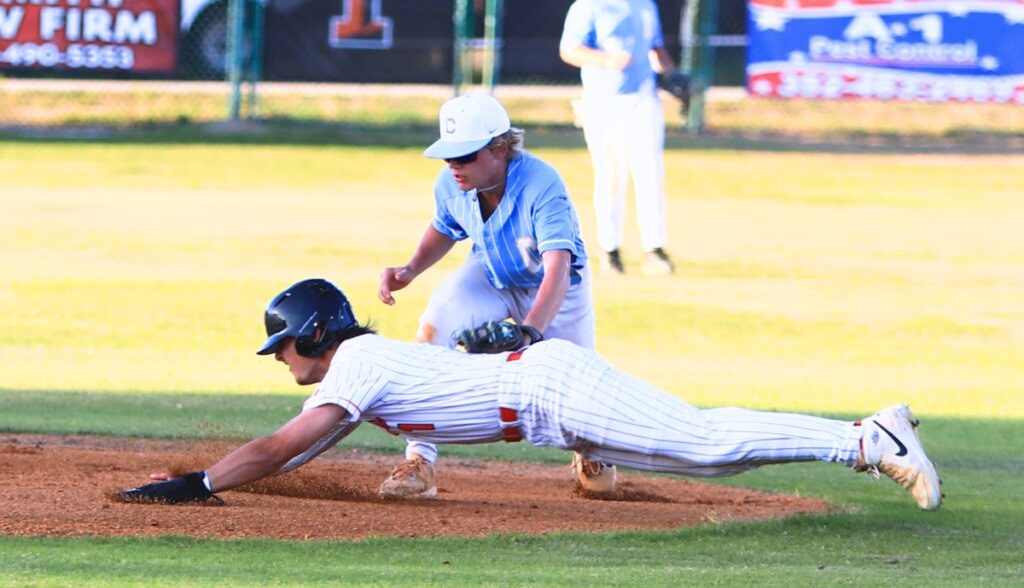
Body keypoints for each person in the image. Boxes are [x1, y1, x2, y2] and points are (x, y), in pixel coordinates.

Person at [118, 278, 943, 512]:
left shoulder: (357, 366)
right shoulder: (356, 371)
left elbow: (280, 447)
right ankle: (869, 437)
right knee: (712, 456)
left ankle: (870, 438)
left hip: (551, 388)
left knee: (707, 439)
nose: (279, 358)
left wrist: (199, 483)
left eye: (284, 343)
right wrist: (218, 482)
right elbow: (291, 447)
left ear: (316, 332)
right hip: (547, 405)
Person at [375, 92, 609, 499]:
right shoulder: (452, 182)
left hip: (556, 291)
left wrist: (531, 332)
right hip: (490, 273)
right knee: (437, 324)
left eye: (464, 156)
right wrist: (410, 269)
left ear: (499, 148)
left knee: (576, 386)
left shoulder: (542, 184)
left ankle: (590, 450)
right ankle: (419, 460)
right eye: (449, 156)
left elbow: (556, 267)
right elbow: (444, 227)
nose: (454, 166)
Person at [559, 0, 682, 276]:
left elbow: (656, 49)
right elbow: (569, 50)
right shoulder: (589, 6)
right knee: (611, 175)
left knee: (650, 173)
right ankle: (610, 248)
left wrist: (673, 75)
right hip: (603, 100)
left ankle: (654, 249)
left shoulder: (645, 5)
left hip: (642, 98)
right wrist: (605, 59)